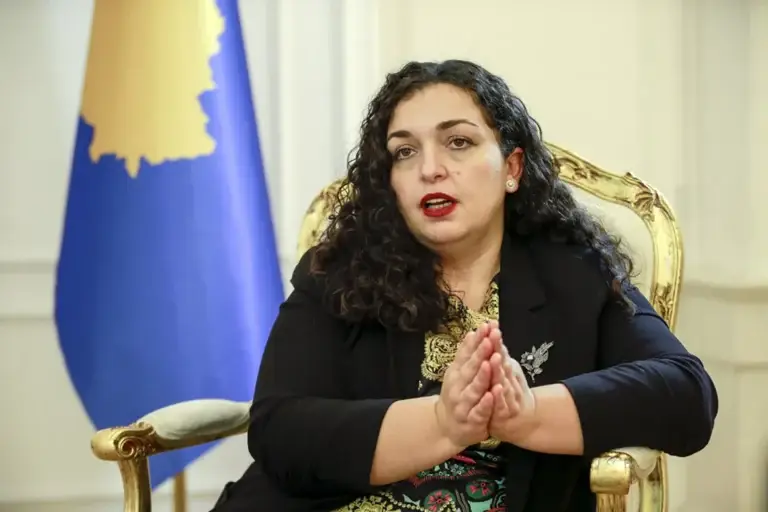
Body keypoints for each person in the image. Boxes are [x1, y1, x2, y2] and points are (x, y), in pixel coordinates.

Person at [211, 59, 718, 512]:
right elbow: (279, 429)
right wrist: (442, 423)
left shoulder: (574, 272)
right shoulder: (340, 273)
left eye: (459, 142)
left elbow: (685, 395)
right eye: (404, 152)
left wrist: (525, 415)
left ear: (512, 168)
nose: (430, 169)